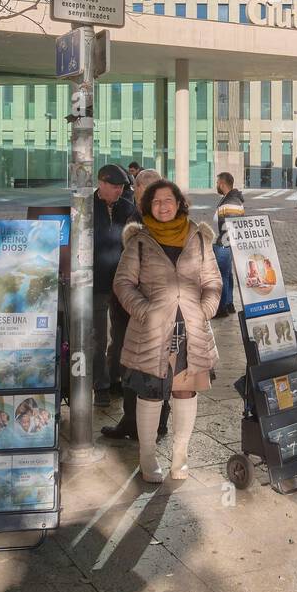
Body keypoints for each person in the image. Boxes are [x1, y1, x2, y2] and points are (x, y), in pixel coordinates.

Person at [114, 180, 222, 483]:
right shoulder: (139, 240)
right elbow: (123, 283)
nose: (163, 206)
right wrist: (144, 311)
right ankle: (147, 458)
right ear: (148, 206)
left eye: (169, 200)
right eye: (156, 201)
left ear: (179, 204)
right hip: (150, 332)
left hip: (190, 331)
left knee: (185, 392)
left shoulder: (198, 238)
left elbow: (213, 282)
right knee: (149, 395)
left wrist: (205, 310)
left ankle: (180, 457)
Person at [102, 169, 170, 443]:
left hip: (148, 310)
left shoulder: (162, 222)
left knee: (155, 367)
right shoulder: (135, 215)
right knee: (129, 366)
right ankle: (132, 420)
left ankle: (157, 423)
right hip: (127, 308)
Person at [92, 164, 136, 408]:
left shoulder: (128, 209)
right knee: (97, 337)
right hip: (96, 282)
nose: (119, 192)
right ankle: (100, 385)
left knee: (120, 335)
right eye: (115, 187)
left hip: (121, 283)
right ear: (101, 183)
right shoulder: (85, 207)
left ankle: (116, 375)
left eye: (122, 187)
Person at [212, 172, 244, 318]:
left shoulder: (230, 202)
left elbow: (231, 225)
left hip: (225, 243)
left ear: (223, 184)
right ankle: (229, 303)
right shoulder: (230, 199)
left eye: (218, 182)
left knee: (222, 275)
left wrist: (223, 243)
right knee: (227, 274)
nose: (217, 185)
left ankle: (222, 307)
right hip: (227, 243)